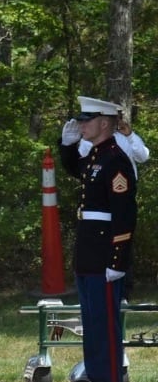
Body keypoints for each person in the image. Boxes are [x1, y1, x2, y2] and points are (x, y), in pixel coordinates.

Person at [59, 96, 136, 382]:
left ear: (105, 123)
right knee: (92, 323)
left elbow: (124, 214)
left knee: (104, 324)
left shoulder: (116, 160)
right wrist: (66, 146)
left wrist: (118, 260)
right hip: (89, 251)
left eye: (86, 120)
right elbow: (73, 169)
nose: (81, 125)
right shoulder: (94, 157)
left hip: (105, 254)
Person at [77, 114, 147, 302]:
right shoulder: (91, 142)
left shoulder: (125, 139)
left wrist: (131, 135)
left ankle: (124, 290)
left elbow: (143, 155)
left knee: (123, 238)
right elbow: (84, 161)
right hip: (101, 195)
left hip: (124, 192)